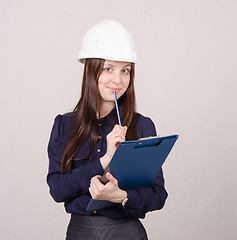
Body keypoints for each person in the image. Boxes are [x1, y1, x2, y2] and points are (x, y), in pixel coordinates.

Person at [47, 20, 167, 240]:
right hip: (80, 233)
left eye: (125, 71)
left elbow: (158, 195)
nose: (118, 80)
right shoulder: (65, 125)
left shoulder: (141, 126)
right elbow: (57, 189)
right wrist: (106, 159)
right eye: (108, 68)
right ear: (90, 70)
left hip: (127, 233)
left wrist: (120, 196)